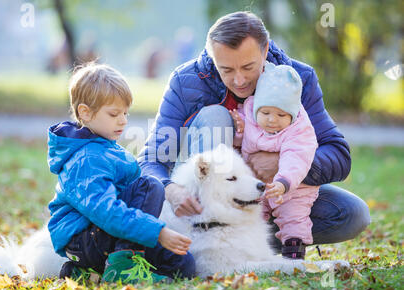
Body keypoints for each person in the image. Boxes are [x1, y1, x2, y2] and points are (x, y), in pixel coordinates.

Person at [137, 11, 370, 253]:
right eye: (225, 69)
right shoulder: (186, 82)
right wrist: (171, 189)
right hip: (206, 203)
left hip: (274, 196)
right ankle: (209, 241)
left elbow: (338, 154)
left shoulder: (297, 78)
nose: (239, 80)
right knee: (214, 116)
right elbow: (151, 158)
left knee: (352, 214)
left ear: (265, 49)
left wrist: (283, 164)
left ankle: (256, 245)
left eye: (248, 67)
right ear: (212, 56)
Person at [47, 62, 195, 283]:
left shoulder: (106, 147)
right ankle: (123, 269)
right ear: (85, 113)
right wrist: (158, 232)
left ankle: (85, 273)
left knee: (182, 264)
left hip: (109, 234)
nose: (123, 120)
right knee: (150, 186)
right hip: (83, 238)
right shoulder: (86, 159)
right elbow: (106, 212)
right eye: (114, 113)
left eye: (125, 113)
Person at [230, 62, 319, 259]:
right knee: (250, 212)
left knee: (293, 216)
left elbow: (297, 157)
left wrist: (283, 182)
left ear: (292, 114)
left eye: (281, 114)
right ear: (257, 109)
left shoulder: (299, 130)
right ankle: (250, 251)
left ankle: (293, 253)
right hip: (259, 184)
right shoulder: (250, 116)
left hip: (293, 187)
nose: (272, 120)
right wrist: (239, 132)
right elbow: (240, 145)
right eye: (266, 113)